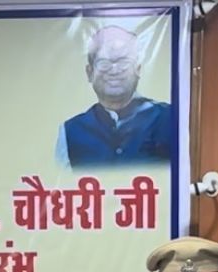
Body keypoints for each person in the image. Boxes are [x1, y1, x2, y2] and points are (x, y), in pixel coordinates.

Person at [56, 25, 173, 168]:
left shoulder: (170, 118)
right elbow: (60, 179)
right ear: (89, 72)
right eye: (104, 63)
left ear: (138, 69)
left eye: (124, 62)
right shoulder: (70, 131)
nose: (114, 71)